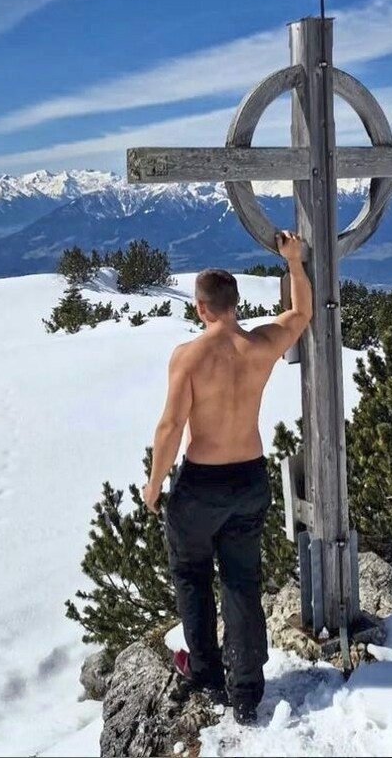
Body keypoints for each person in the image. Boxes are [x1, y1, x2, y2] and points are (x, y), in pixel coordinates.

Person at [142, 230, 311, 725]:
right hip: (249, 479)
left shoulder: (188, 357)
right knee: (241, 581)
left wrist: (155, 485)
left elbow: (171, 426)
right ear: (236, 304)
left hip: (201, 483)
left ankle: (205, 672)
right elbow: (299, 314)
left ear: (201, 308)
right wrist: (294, 263)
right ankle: (246, 689)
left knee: (192, 575)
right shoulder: (260, 345)